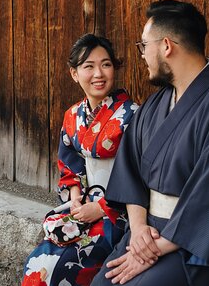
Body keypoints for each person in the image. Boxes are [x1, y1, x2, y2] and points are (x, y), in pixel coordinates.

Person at [91, 0, 209, 286]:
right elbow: (130, 170)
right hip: (147, 233)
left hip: (195, 248)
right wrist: (138, 230)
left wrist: (148, 251)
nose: (142, 55)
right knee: (101, 283)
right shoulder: (155, 103)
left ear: (166, 46)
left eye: (144, 45)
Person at [22, 34, 138, 286]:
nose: (99, 73)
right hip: (84, 208)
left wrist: (100, 208)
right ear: (74, 73)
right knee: (36, 263)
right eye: (89, 66)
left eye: (106, 64)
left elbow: (138, 175)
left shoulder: (133, 115)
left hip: (121, 213)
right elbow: (69, 166)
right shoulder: (72, 115)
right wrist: (75, 197)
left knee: (58, 268)